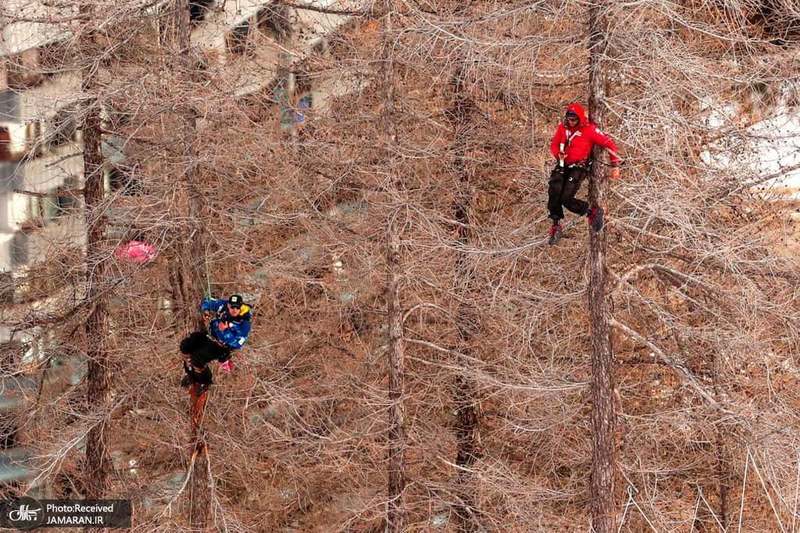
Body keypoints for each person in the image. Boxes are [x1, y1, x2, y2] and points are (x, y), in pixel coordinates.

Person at [547, 102, 621, 244]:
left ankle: (591, 212)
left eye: (574, 119)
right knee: (554, 190)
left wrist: (615, 165)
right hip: (563, 164)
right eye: (569, 118)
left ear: (580, 118)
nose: (571, 121)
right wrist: (558, 155)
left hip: (578, 167)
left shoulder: (589, 130)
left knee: (566, 198)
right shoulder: (563, 128)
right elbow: (554, 145)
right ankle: (555, 225)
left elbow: (609, 144)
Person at [180, 294, 252, 389]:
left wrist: (224, 331)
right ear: (228, 305)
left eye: (237, 307)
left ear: (241, 307)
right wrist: (205, 310)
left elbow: (238, 343)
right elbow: (208, 301)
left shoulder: (244, 323)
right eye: (232, 307)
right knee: (186, 345)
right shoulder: (223, 306)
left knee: (197, 358)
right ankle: (191, 375)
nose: (234, 310)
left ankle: (204, 382)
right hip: (209, 336)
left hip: (222, 347)